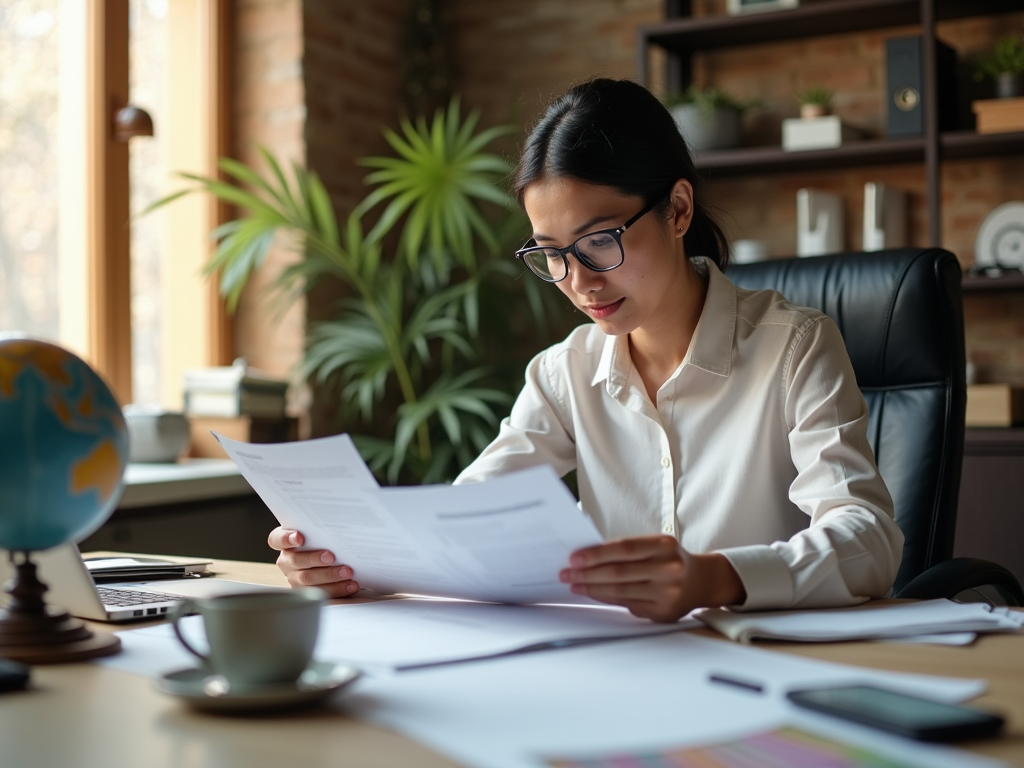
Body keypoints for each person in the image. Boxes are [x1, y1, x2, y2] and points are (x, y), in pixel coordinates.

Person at [268, 78, 904, 623]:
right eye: (550, 252)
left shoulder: (794, 346)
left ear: (677, 210)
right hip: (618, 671)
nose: (578, 280)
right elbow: (464, 522)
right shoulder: (563, 373)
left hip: (773, 670)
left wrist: (714, 578)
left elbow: (869, 541)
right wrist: (342, 563)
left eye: (599, 241)